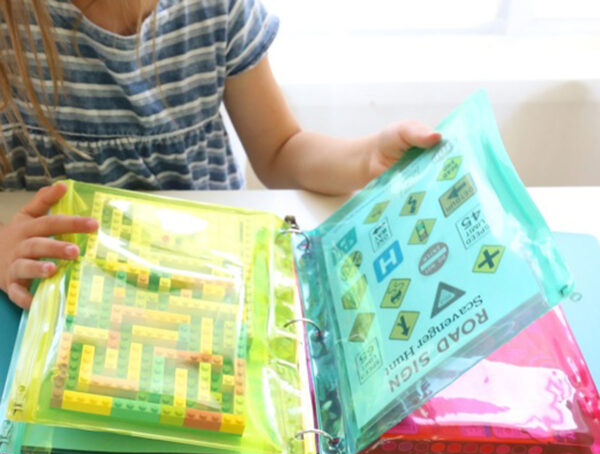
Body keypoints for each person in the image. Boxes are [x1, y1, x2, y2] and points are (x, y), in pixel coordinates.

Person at [0, 0, 441, 309]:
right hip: (55, 289)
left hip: (204, 282)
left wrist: (365, 160)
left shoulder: (215, 7)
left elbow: (280, 150)